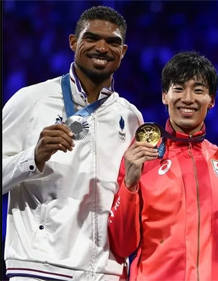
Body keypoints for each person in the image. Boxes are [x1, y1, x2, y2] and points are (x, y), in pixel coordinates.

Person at [2, 6, 143, 281]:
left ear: (123, 52)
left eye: (112, 42)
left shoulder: (131, 117)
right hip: (39, 266)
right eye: (91, 38)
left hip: (106, 272)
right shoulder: (31, 100)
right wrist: (33, 157)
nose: (102, 48)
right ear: (73, 42)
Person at [108, 51, 218, 280]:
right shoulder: (140, 158)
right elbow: (121, 245)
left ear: (212, 100)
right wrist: (129, 184)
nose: (187, 98)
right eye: (178, 88)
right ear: (165, 96)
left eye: (198, 90)